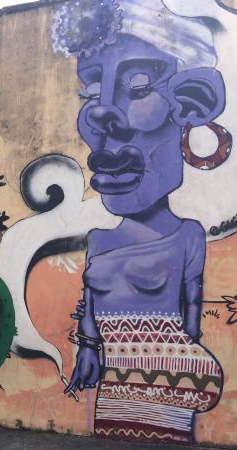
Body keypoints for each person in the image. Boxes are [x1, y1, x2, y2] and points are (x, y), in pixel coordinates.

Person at [53, 0, 226, 443]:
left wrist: (183, 368)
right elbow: (89, 308)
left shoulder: (188, 236)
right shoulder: (97, 240)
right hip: (113, 389)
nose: (100, 115)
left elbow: (192, 314)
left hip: (168, 384)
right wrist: (89, 349)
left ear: (194, 101)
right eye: (90, 93)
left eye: (140, 85)